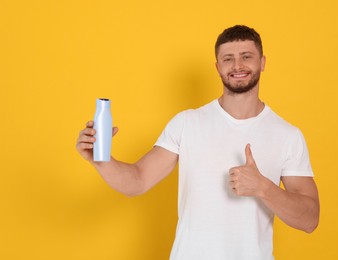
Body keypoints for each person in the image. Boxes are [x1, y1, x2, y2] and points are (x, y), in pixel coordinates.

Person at [76, 25, 319, 260]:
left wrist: (264, 188)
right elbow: (137, 182)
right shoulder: (187, 123)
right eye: (228, 59)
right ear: (217, 67)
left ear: (262, 62)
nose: (237, 65)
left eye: (246, 56)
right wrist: (100, 158)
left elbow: (309, 220)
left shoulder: (287, 135)